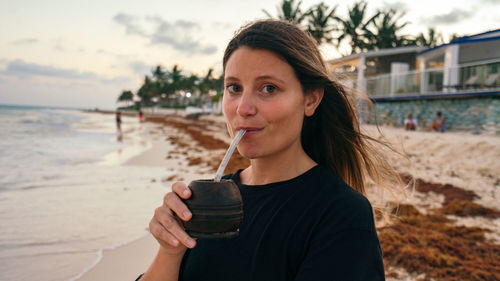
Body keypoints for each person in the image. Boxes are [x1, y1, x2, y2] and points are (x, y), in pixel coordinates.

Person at [138, 20, 401, 281]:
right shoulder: (209, 202)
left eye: (268, 88)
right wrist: (170, 249)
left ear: (310, 99)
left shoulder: (340, 214)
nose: (243, 108)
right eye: (234, 88)